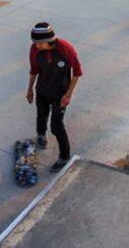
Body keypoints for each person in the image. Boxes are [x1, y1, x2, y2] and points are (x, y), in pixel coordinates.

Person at [27, 22, 82, 172]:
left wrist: (68, 95)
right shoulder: (34, 50)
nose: (36, 46)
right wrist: (30, 90)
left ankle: (64, 156)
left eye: (39, 43)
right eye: (34, 43)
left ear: (48, 40)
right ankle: (41, 135)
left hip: (60, 94)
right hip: (42, 91)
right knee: (41, 115)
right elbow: (34, 70)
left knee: (57, 127)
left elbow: (77, 73)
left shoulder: (66, 49)